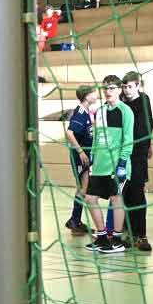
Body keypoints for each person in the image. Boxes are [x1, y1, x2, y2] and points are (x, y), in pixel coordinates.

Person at [85, 78, 134, 254]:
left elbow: (128, 140)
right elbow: (97, 137)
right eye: (105, 88)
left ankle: (118, 240)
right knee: (90, 198)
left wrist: (122, 164)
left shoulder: (125, 111)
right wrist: (92, 157)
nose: (108, 91)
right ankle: (102, 236)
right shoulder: (100, 111)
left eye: (112, 88)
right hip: (99, 165)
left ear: (119, 90)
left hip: (116, 166)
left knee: (116, 200)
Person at [119, 72, 153, 252]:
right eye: (124, 87)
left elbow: (147, 125)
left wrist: (147, 145)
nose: (126, 90)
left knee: (137, 193)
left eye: (129, 87)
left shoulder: (143, 100)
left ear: (138, 85)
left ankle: (141, 235)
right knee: (124, 193)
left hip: (138, 154)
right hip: (122, 154)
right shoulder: (120, 101)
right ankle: (127, 232)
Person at [65, 85, 98, 236]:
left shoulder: (86, 112)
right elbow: (70, 133)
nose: (96, 94)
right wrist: (80, 151)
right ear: (86, 95)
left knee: (83, 188)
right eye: (93, 92)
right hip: (80, 156)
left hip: (85, 154)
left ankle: (75, 220)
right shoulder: (79, 113)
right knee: (83, 188)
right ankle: (75, 220)